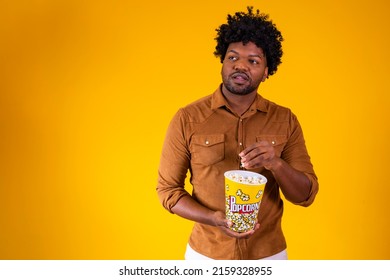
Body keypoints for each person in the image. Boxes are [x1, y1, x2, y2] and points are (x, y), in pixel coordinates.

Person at [156, 6, 319, 260]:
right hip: (206, 256)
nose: (240, 65)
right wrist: (213, 218)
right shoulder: (187, 118)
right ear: (222, 62)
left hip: (269, 256)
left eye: (253, 60)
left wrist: (275, 163)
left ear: (266, 72)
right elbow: (168, 192)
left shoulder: (285, 119)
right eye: (233, 57)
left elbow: (305, 195)